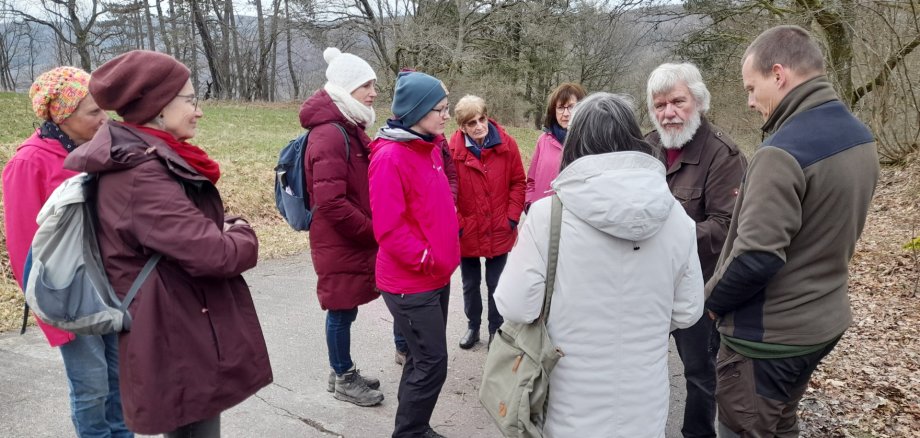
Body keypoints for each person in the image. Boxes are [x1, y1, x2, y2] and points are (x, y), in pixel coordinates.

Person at [63, 50, 273, 437]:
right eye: (190, 99)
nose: (199, 110)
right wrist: (243, 228)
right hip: (176, 331)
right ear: (159, 106)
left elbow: (187, 230)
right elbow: (217, 254)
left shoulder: (149, 159)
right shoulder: (141, 175)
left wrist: (215, 227)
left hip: (181, 319)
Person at [495, 92, 704, 437]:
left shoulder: (549, 216)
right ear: (634, 139)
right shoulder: (675, 217)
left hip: (569, 405)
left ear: (575, 143)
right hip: (644, 404)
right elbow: (688, 310)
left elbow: (515, 305)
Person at [706, 25, 879, 437]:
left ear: (778, 75)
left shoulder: (782, 152)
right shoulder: (859, 136)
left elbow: (756, 257)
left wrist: (709, 302)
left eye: (752, 88)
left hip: (767, 338)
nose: (749, 101)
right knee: (781, 422)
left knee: (742, 428)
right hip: (822, 322)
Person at [2, 67, 129, 438]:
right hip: (69, 296)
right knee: (91, 389)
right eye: (94, 112)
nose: (105, 119)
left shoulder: (100, 150)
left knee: (120, 385)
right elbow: (25, 248)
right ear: (62, 115)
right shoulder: (28, 163)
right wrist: (52, 317)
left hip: (112, 287)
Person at [644, 62, 747, 438]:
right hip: (649, 285)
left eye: (677, 102)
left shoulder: (724, 155)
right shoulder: (647, 147)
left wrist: (665, 237)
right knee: (641, 364)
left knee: (700, 374)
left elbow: (726, 229)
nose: (668, 113)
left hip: (698, 289)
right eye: (659, 105)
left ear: (698, 102)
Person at [368, 71, 460, 438]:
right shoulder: (391, 157)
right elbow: (389, 228)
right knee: (433, 362)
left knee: (423, 359)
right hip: (411, 281)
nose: (446, 115)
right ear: (417, 110)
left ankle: (412, 427)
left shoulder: (429, 147)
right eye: (440, 109)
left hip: (435, 276)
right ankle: (410, 432)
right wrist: (426, 257)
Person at [299, 47, 384, 407]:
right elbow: (332, 203)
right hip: (339, 237)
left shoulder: (347, 126)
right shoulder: (331, 134)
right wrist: (372, 229)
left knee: (344, 306)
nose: (374, 92)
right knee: (340, 307)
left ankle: (342, 370)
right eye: (366, 85)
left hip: (344, 237)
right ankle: (343, 376)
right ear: (346, 88)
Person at [447, 95, 525, 349]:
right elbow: (448, 192)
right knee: (470, 284)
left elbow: (518, 182)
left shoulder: (507, 144)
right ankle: (473, 327)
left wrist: (512, 218)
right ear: (462, 127)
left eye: (482, 119)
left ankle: (496, 329)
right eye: (472, 123)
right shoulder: (453, 151)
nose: (479, 126)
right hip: (467, 231)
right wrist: (458, 224)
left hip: (499, 227)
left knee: (497, 283)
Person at [524, 82, 586, 210]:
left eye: (571, 107)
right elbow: (531, 181)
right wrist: (529, 205)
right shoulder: (543, 140)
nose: (566, 113)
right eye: (560, 107)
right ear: (554, 110)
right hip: (541, 215)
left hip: (573, 218)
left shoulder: (589, 142)